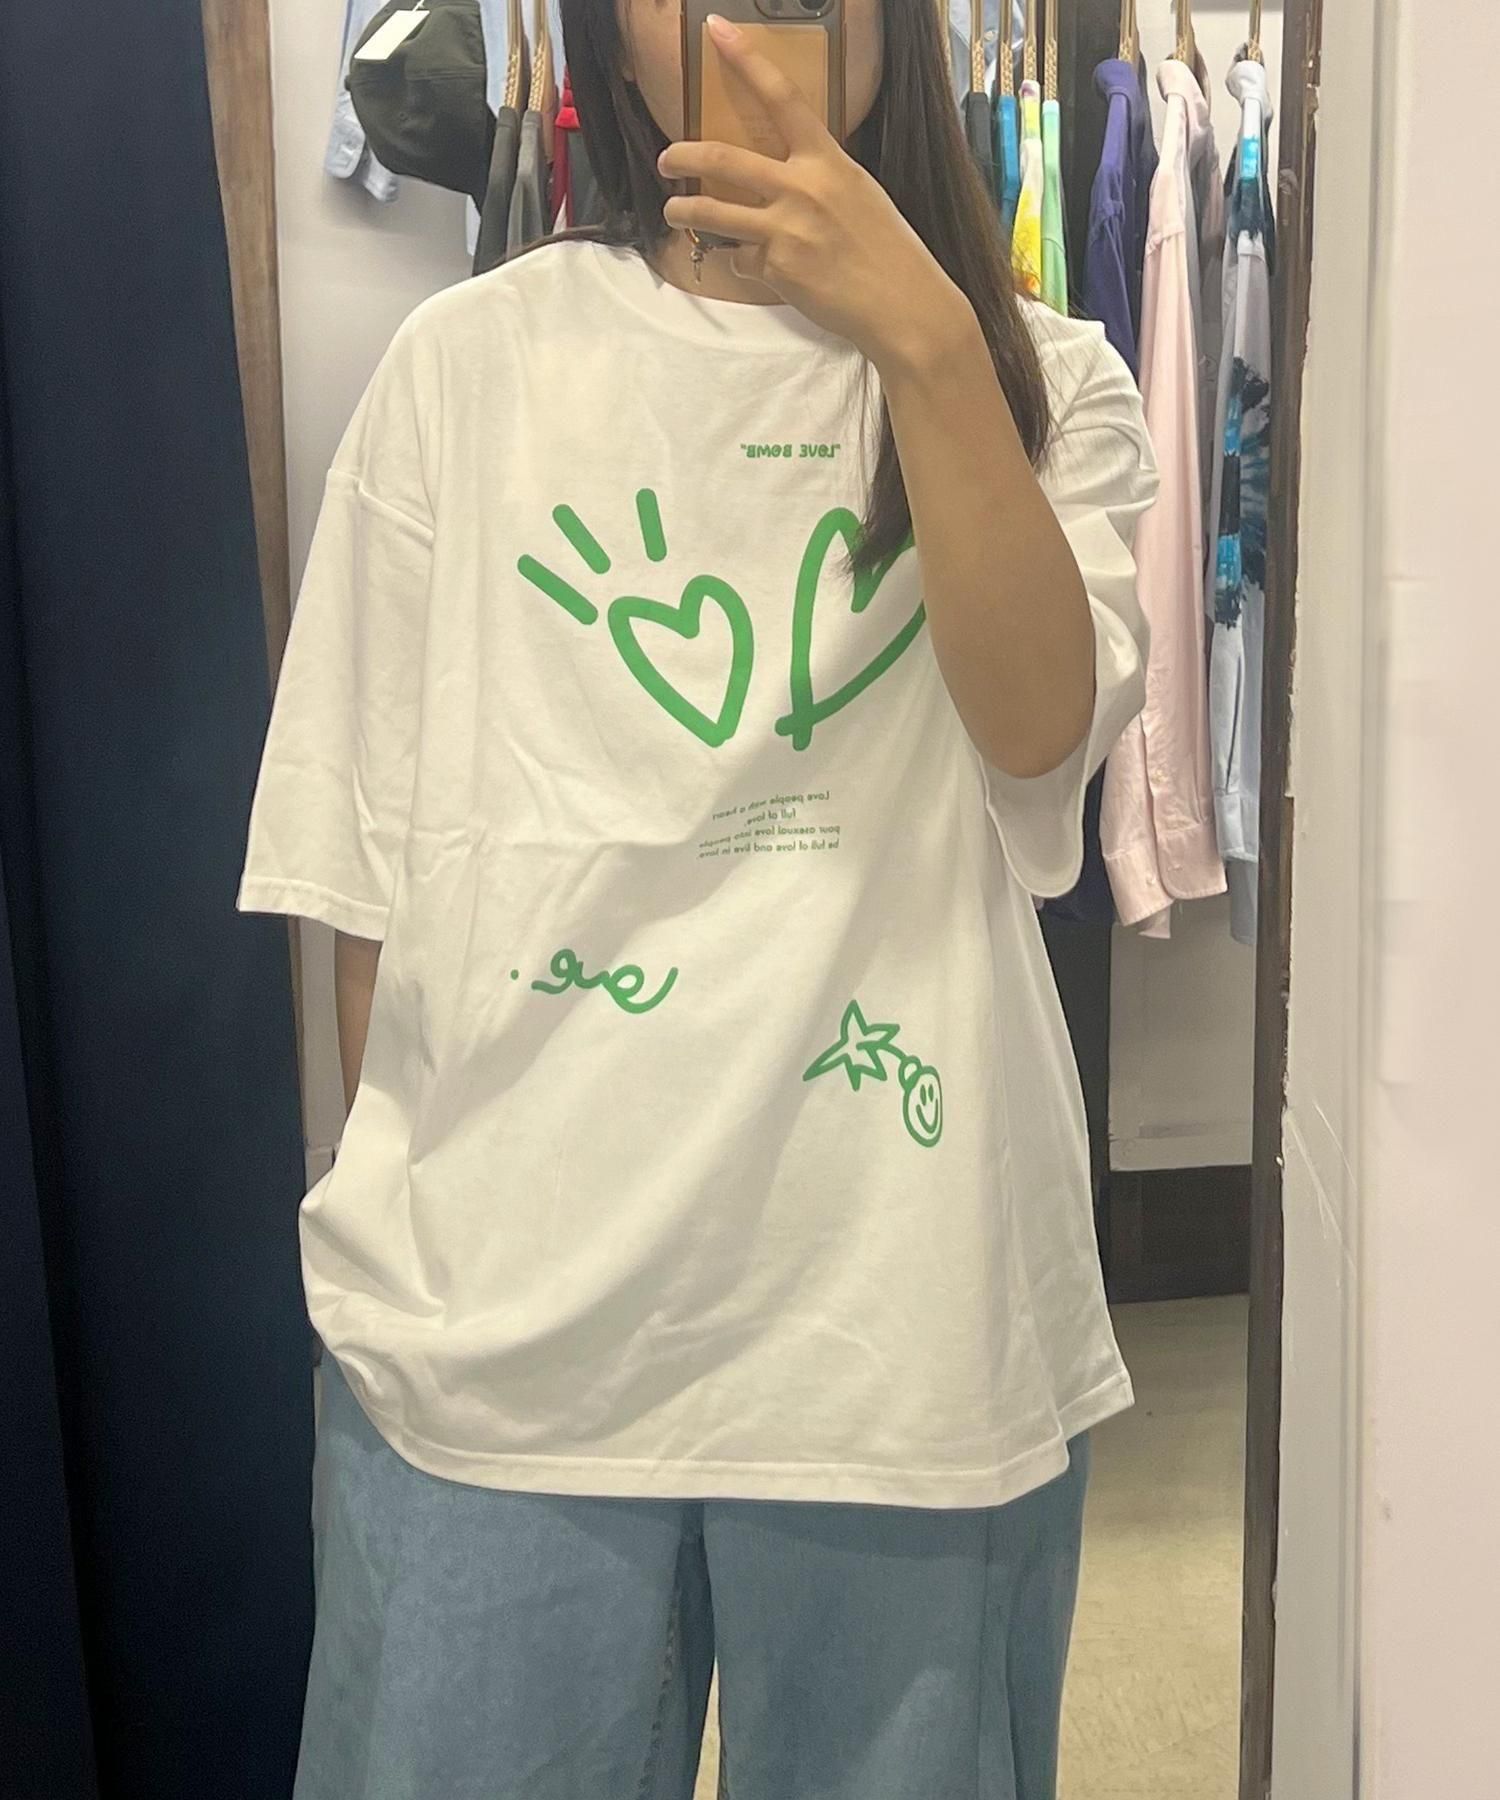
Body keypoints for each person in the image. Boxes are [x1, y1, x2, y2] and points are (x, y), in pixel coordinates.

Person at [237, 3, 1158, 1795]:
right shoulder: (466, 369)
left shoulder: (1050, 381)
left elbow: (1039, 727)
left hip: (903, 1328)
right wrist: (410, 1242)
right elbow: (366, 880)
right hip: (498, 1355)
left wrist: (926, 342)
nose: (740, 17)